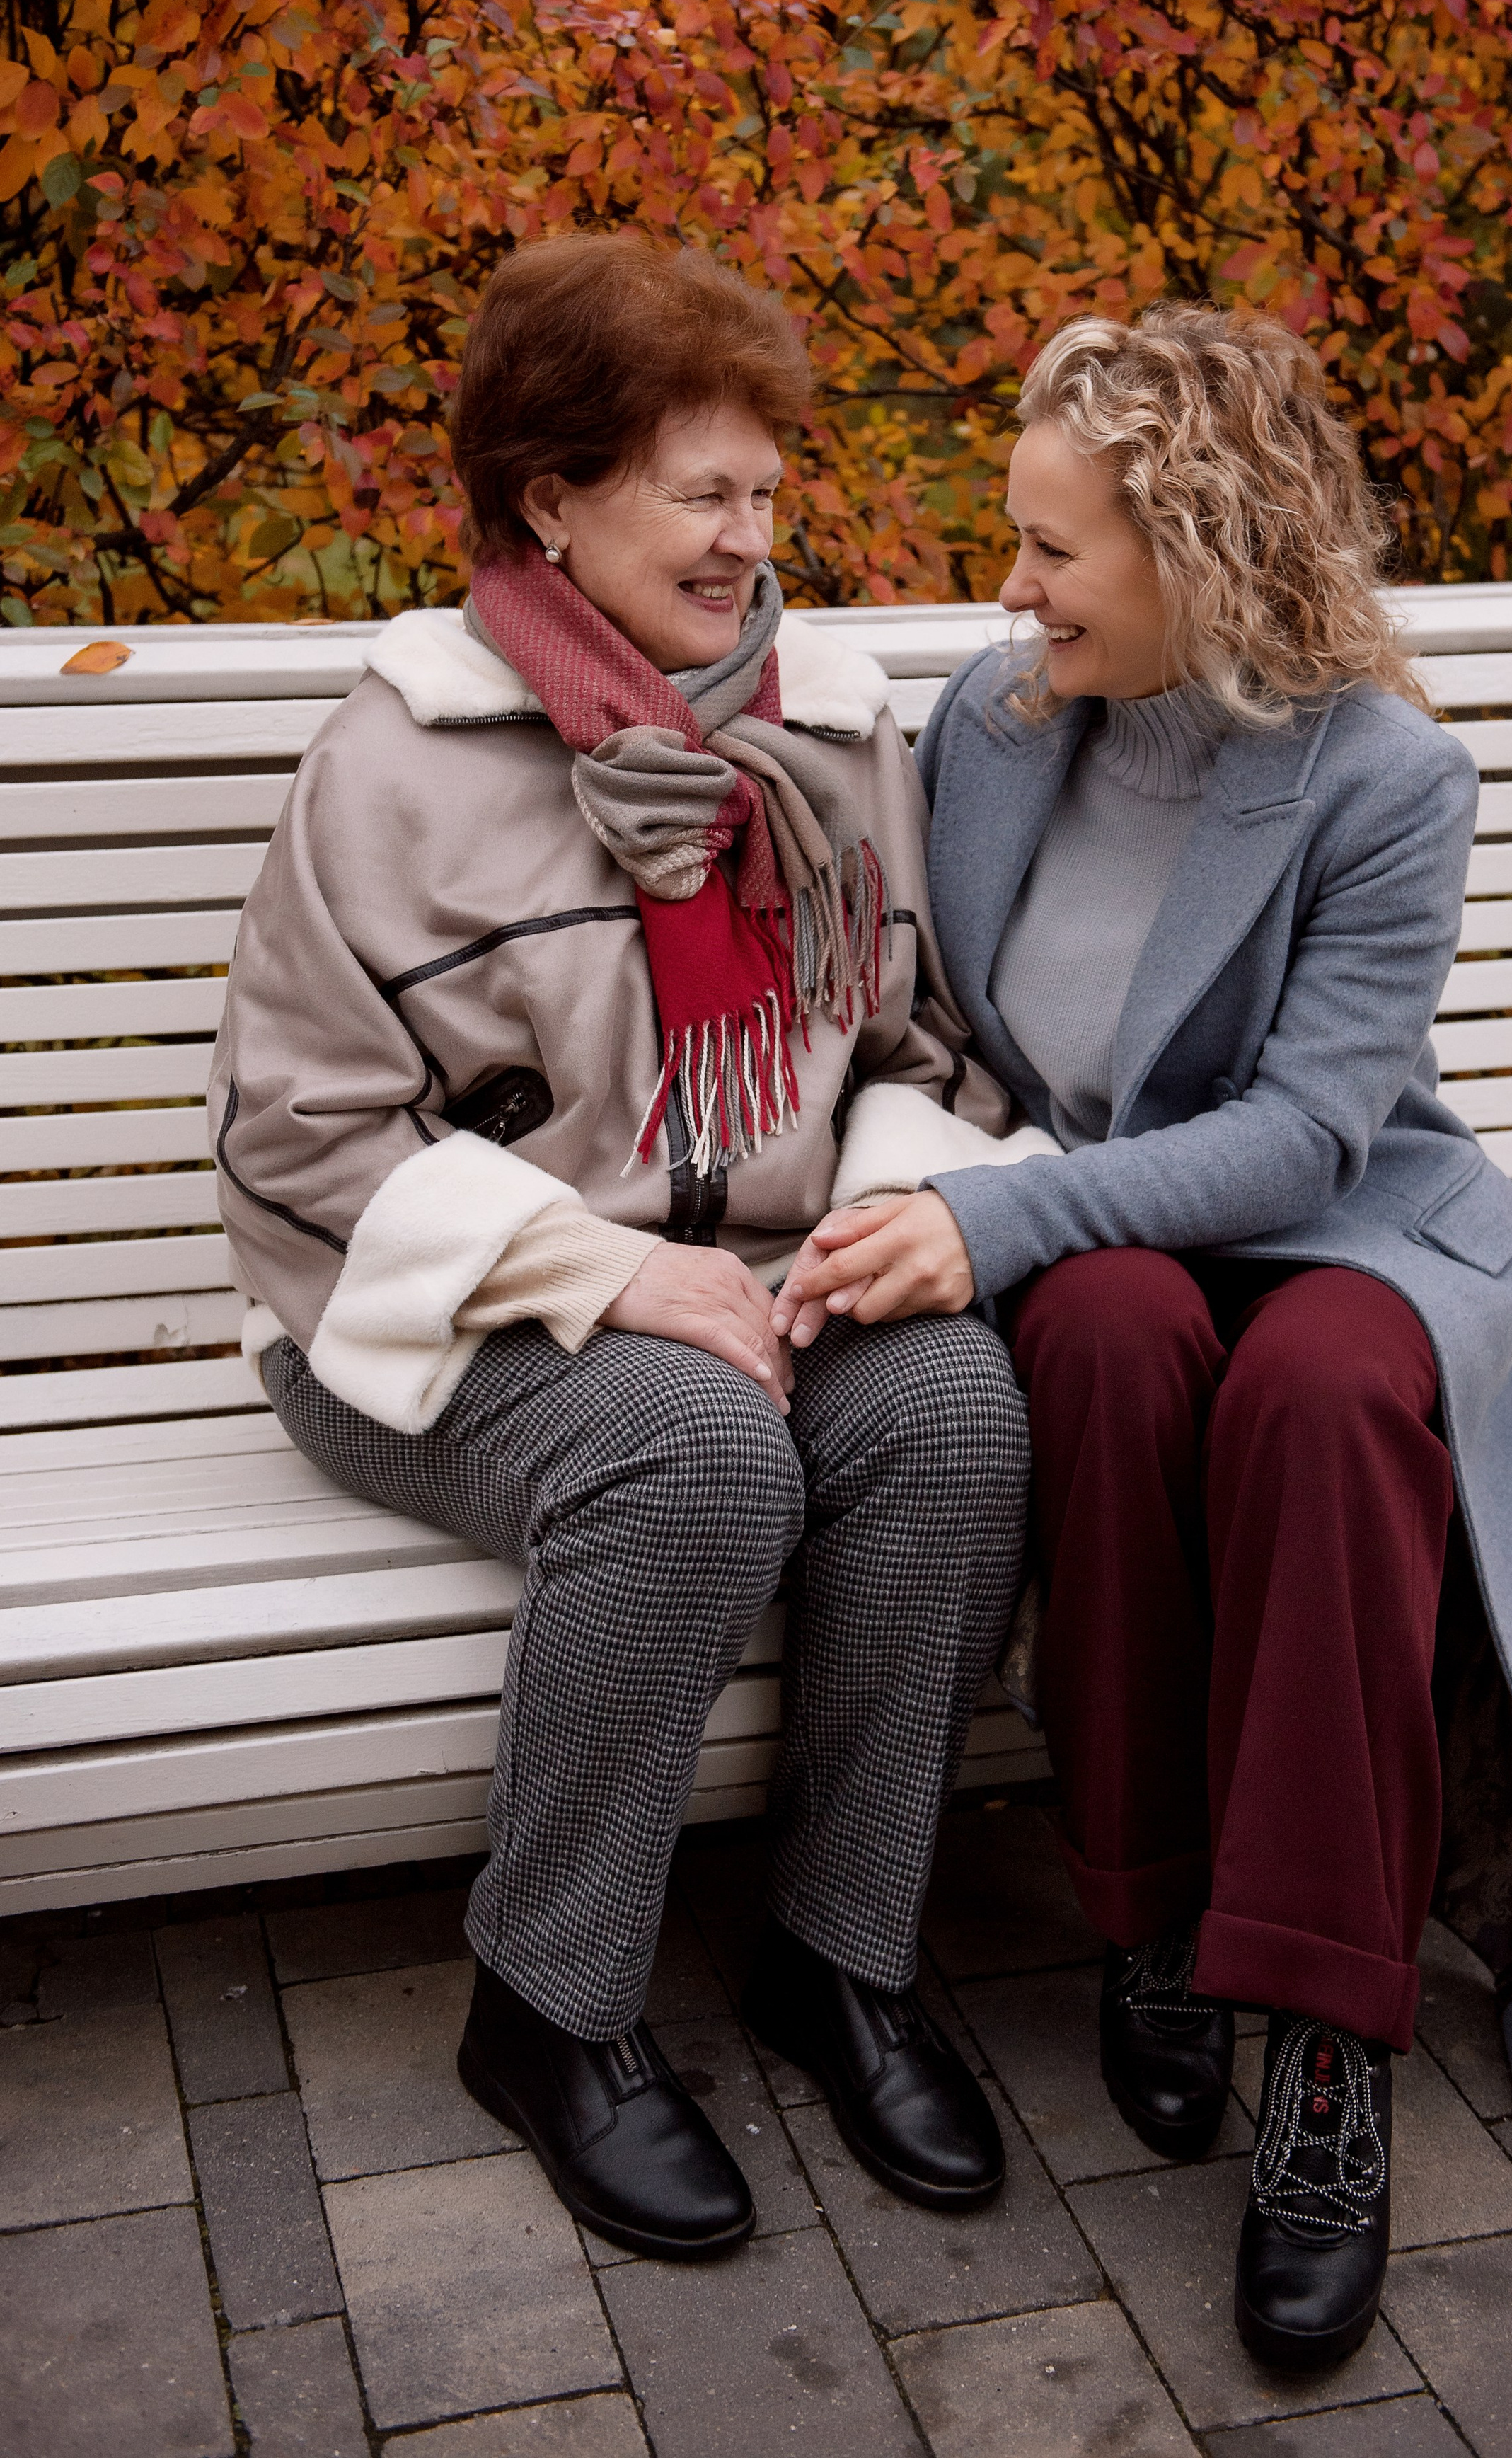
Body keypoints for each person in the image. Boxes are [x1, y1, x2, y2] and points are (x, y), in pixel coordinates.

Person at [775, 304, 1512, 2371]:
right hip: (1108, 1237)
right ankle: (1156, 1920)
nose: (1007, 591)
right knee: (1095, 1338)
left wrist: (991, 1213)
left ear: (1196, 544)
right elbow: (914, 1007)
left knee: (1326, 1392)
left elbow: (1300, 1130)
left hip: (1338, 1223)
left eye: (1050, 550)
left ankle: (1329, 2045)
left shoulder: (1385, 776)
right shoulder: (997, 732)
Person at [208, 234, 1041, 2262]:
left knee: (949, 1405)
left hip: (770, 1276)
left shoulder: (835, 736)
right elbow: (297, 1134)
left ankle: (839, 1952)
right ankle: (553, 2003)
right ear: (550, 501)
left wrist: (883, 1209)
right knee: (693, 1449)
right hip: (428, 1324)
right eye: (699, 492)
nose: (748, 538)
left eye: (765, 492)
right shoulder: (397, 754)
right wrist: (595, 1268)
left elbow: (915, 1046)